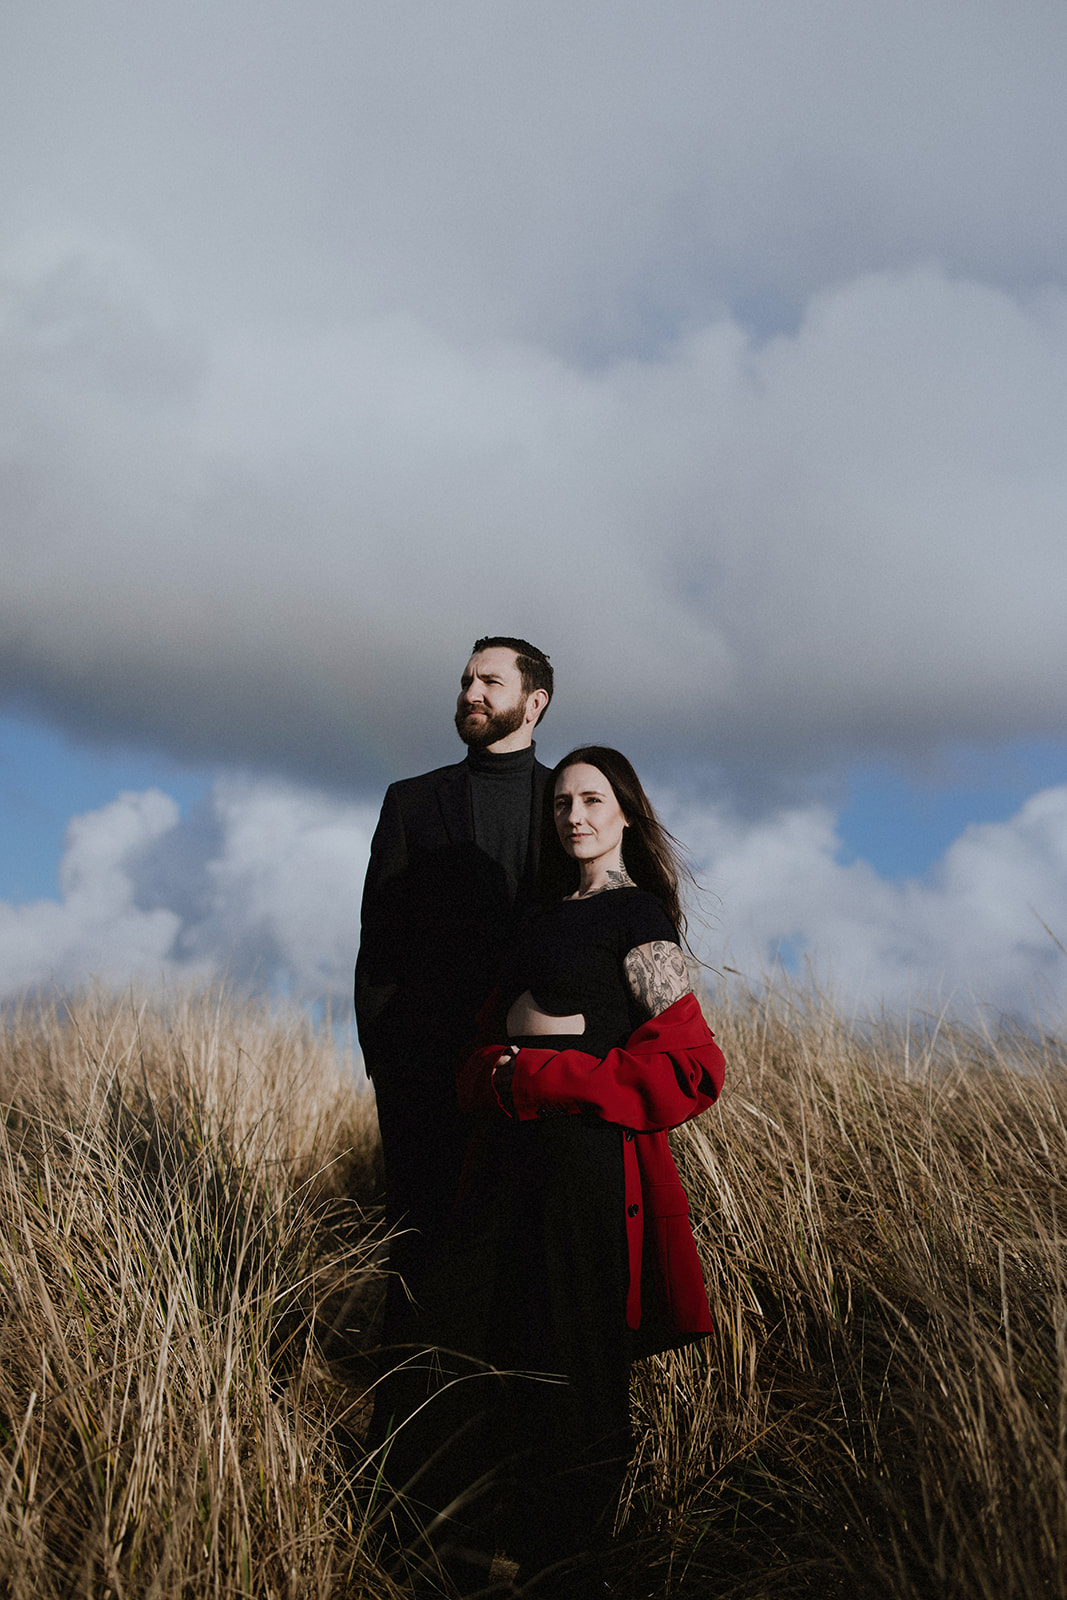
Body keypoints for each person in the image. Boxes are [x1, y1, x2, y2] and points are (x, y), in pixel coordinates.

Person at [390, 746, 726, 1596]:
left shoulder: (637, 918)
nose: (573, 815)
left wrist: (545, 1073)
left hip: (587, 1167)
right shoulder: (535, 920)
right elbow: (477, 1053)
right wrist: (495, 1073)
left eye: (591, 800)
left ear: (624, 814)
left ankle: (566, 1566)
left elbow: (692, 1071)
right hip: (503, 1164)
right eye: (561, 803)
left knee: (572, 1363)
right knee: (458, 1336)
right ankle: (460, 1549)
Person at [354, 636, 554, 1363]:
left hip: (543, 1077)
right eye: (466, 679)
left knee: (529, 1264)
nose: (470, 691)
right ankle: (407, 1449)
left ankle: (512, 1441)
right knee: (421, 1260)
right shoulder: (412, 803)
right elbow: (380, 948)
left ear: (534, 703)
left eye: (489, 682)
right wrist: (392, 1067)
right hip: (428, 1079)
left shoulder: (575, 805)